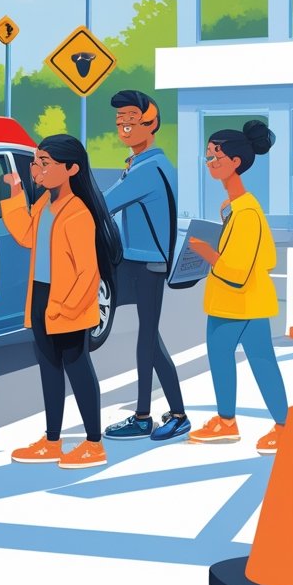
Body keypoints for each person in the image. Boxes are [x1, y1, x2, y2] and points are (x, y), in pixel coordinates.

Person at [2, 134, 121, 469]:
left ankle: (94, 444)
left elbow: (88, 272)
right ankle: (52, 441)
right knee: (49, 370)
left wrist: (65, 308)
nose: (36, 169)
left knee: (78, 369)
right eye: (36, 161)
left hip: (66, 302)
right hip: (41, 294)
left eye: (45, 163)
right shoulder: (44, 205)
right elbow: (26, 235)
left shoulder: (78, 213)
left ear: (71, 168)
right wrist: (15, 196)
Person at [187, 121, 288, 455]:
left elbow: (237, 270)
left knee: (257, 361)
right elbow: (268, 257)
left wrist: (204, 252)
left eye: (216, 157)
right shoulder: (233, 208)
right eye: (208, 157)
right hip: (235, 302)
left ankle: (280, 427)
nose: (210, 163)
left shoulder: (246, 212)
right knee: (236, 359)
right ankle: (229, 422)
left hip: (240, 302)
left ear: (236, 162)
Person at [101, 91, 191, 442]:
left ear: (151, 123)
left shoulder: (149, 169)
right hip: (140, 258)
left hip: (149, 262)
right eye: (120, 118)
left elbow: (105, 204)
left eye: (132, 118)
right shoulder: (140, 163)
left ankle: (154, 416)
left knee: (148, 340)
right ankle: (156, 413)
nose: (124, 124)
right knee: (149, 338)